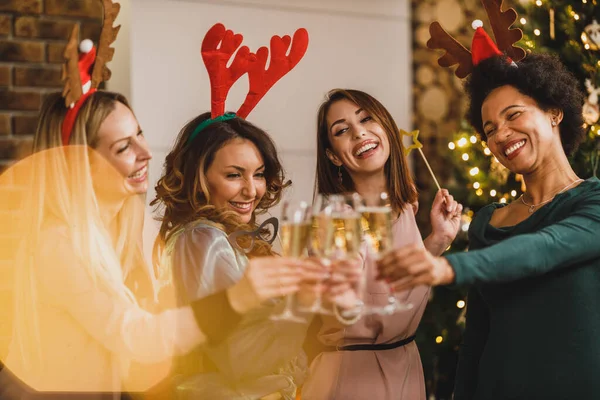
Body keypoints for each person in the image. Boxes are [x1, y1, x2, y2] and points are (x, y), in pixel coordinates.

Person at [0, 18, 318, 395]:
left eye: (140, 135)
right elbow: (137, 337)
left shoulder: (130, 227)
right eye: (123, 147)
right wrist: (247, 300)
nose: (145, 153)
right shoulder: (60, 243)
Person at [376, 52, 600, 399]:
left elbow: (545, 247)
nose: (501, 135)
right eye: (490, 129)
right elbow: (477, 337)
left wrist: (447, 267)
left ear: (555, 112)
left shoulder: (592, 201)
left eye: (513, 115)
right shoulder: (489, 220)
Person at [300, 88, 462, 400]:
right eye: (342, 130)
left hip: (403, 363)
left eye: (366, 119)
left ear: (386, 127)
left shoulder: (403, 208)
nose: (359, 132)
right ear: (333, 155)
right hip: (356, 377)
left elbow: (392, 286)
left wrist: (438, 239)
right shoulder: (336, 221)